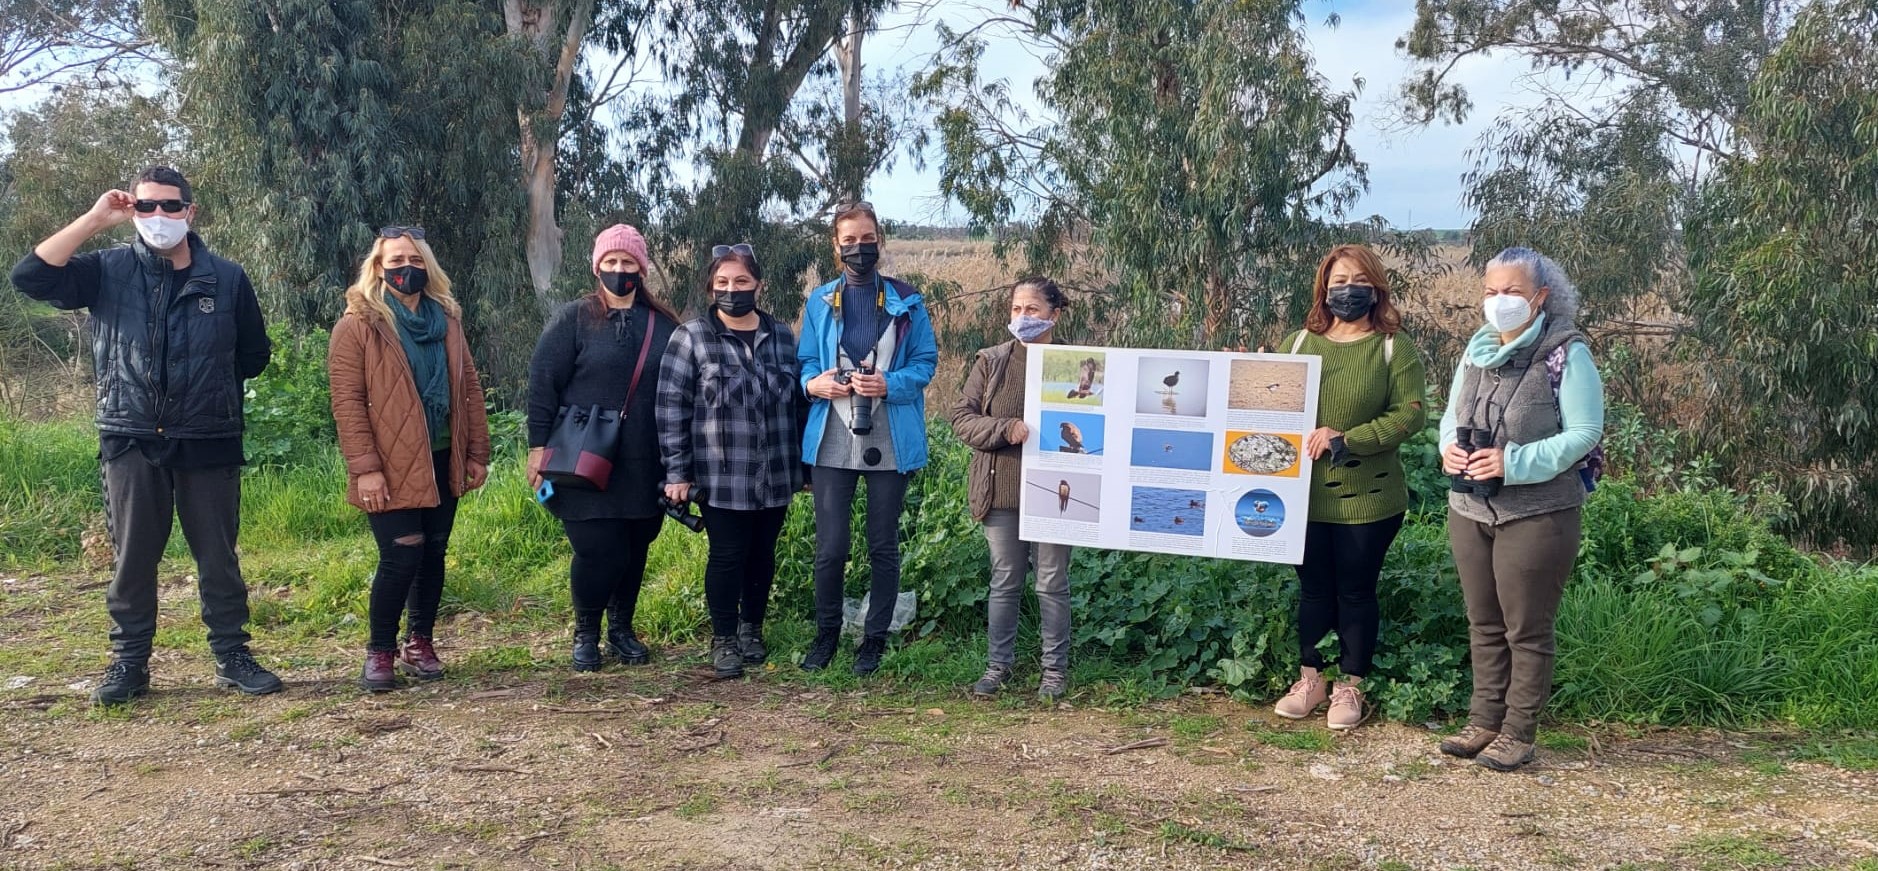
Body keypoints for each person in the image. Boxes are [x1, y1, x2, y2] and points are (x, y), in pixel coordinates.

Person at [10, 166, 282, 705]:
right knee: (133, 558)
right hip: (130, 435)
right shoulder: (105, 270)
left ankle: (233, 656)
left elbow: (254, 353)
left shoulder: (227, 277)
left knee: (218, 557)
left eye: (170, 206)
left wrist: (207, 390)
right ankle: (129, 664)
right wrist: (94, 219)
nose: (160, 216)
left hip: (208, 438)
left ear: (190, 212)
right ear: (133, 209)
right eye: (147, 206)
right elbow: (30, 277)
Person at [1438, 246, 1604, 771]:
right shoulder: (1477, 348)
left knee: (1526, 627)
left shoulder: (1566, 353)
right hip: (1469, 507)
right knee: (1483, 621)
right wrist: (1448, 447)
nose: (1500, 302)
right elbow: (1450, 414)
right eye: (1491, 292)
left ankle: (1518, 731)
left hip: (1538, 512)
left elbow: (1585, 433)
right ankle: (1484, 719)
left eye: (1512, 292)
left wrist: (1514, 463)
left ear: (1540, 298)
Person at [1269, 244, 1427, 730]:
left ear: (1376, 286)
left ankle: (1351, 686)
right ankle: (1311, 678)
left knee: (1356, 591)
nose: (1347, 290)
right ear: (1323, 288)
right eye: (1337, 281)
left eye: (1357, 280)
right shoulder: (1298, 344)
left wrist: (1350, 439)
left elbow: (1411, 413)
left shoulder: (1392, 346)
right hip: (1300, 495)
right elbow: (1270, 404)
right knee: (1313, 589)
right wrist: (1246, 380)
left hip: (1369, 495)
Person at [328, 226, 491, 692]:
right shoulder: (359, 324)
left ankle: (420, 641)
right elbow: (348, 403)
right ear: (378, 268)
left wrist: (477, 452)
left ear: (429, 267)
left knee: (433, 551)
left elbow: (470, 388)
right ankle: (380, 650)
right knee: (401, 555)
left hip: (444, 454)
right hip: (388, 461)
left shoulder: (448, 320)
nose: (406, 269)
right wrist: (365, 469)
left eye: (415, 260)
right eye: (396, 261)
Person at [526, 224, 679, 672]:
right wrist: (537, 447)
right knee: (599, 549)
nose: (618, 270)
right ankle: (587, 631)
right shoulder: (574, 318)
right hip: (584, 458)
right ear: (597, 267)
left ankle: (622, 629)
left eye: (627, 263)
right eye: (610, 262)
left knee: (634, 547)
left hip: (645, 460)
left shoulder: (664, 325)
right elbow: (542, 383)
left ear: (641, 269)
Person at [796, 202, 939, 676]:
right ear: (836, 248)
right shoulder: (820, 302)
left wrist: (888, 384)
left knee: (882, 543)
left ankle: (873, 639)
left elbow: (925, 363)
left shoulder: (907, 301)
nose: (860, 248)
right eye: (850, 241)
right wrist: (815, 384)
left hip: (890, 431)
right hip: (833, 432)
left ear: (881, 239)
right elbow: (805, 365)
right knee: (831, 545)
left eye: (867, 238)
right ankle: (826, 634)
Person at [656, 245, 805, 679]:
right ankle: (723, 640)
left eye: (741, 282)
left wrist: (806, 467)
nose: (732, 290)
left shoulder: (781, 336)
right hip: (720, 475)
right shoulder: (691, 337)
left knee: (762, 554)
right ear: (710, 287)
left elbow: (798, 405)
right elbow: (670, 408)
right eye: (722, 283)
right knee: (726, 555)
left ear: (758, 284)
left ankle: (751, 630)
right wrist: (677, 472)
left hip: (775, 470)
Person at [949, 277, 1076, 701]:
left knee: (1051, 583)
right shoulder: (992, 361)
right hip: (1001, 494)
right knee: (1005, 581)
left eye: (1033, 310)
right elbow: (961, 418)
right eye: (1017, 309)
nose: (1023, 317)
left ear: (1054, 315)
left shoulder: (1079, 365)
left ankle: (1054, 672)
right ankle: (997, 667)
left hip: (1058, 496)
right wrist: (1005, 428)